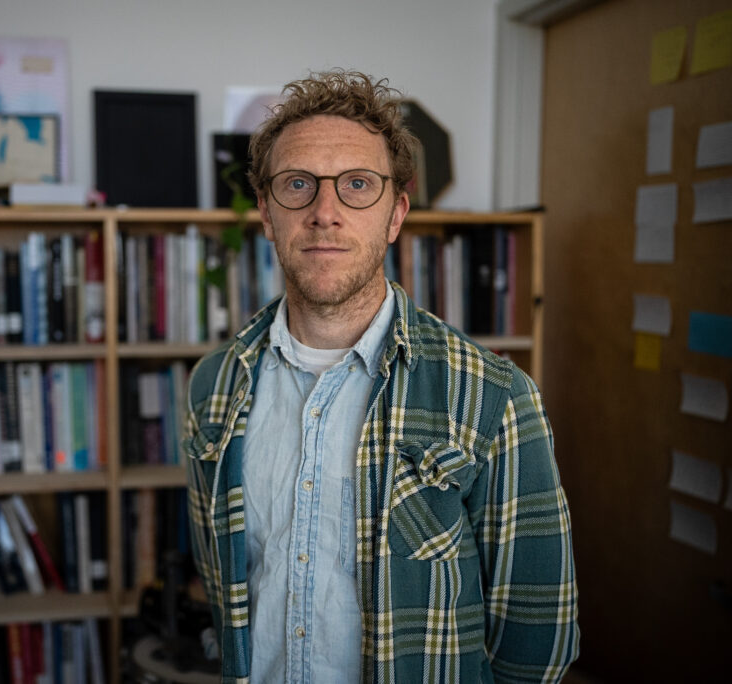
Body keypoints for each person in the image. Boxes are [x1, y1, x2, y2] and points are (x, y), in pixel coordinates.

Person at [183, 69, 579, 683]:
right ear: (265, 211)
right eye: (297, 185)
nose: (325, 213)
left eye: (358, 185)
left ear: (395, 214)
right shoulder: (214, 387)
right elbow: (224, 586)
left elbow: (537, 643)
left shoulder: (494, 398)